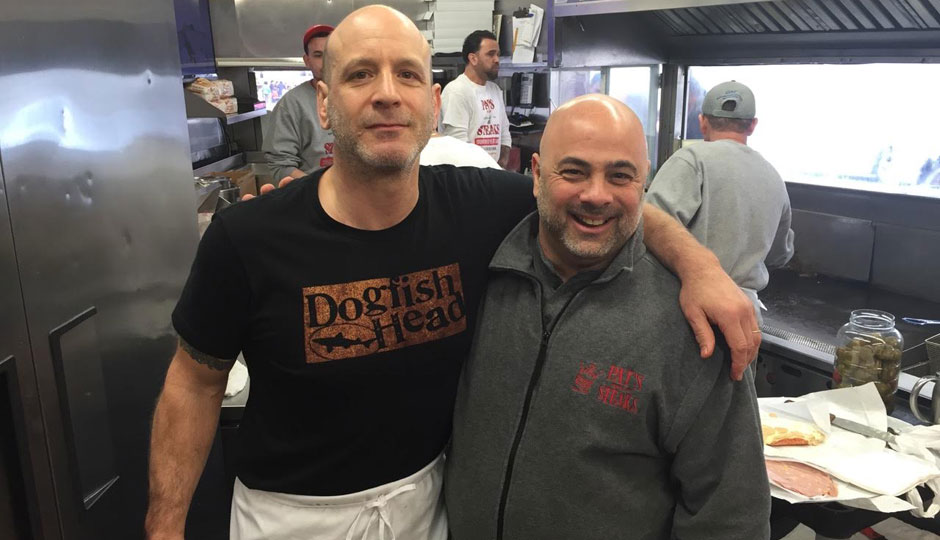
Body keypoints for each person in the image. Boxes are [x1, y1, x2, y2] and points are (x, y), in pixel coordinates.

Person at [145, 6, 761, 540]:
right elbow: (194, 384)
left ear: (432, 104)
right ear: (324, 101)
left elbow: (591, 196)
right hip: (287, 516)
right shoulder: (248, 237)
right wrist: (165, 527)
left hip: (425, 511)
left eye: (408, 74)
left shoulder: (476, 208)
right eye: (361, 74)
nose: (387, 93)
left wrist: (698, 264)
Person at [445, 94, 771, 540]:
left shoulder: (692, 327)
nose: (596, 195)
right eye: (574, 172)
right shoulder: (480, 272)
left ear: (644, 184)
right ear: (537, 175)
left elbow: (731, 515)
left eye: (620, 175)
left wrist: (702, 266)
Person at [646, 80, 794, 322]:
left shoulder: (691, 159)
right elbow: (780, 254)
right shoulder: (774, 177)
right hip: (744, 318)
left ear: (702, 122)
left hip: (688, 312)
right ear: (753, 125)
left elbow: (649, 226)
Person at [262, 24, 336, 183]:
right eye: (318, 55)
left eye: (331, 55)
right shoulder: (291, 104)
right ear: (307, 60)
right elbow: (280, 164)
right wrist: (319, 190)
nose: (326, 62)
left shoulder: (359, 97)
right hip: (312, 196)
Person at [440, 30, 512, 168]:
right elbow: (458, 144)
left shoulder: (495, 90)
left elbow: (504, 134)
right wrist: (482, 175)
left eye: (498, 54)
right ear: (473, 58)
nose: (497, 60)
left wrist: (499, 168)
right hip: (467, 176)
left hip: (491, 175)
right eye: (491, 54)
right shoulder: (457, 90)